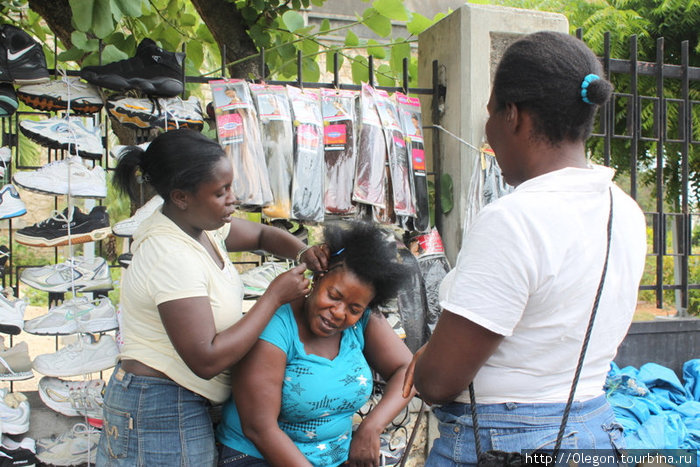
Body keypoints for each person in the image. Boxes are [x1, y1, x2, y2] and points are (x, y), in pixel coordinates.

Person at [402, 31, 647, 465]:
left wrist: (424, 363)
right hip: (593, 432)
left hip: (505, 443)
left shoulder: (514, 219)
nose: (489, 128)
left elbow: (439, 381)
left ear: (513, 116)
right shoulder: (624, 211)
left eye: (491, 112)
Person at [96, 129, 328, 467]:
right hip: (160, 409)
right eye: (221, 192)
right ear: (181, 197)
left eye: (230, 186)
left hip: (179, 403)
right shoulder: (170, 253)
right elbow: (205, 359)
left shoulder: (200, 226)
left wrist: (304, 252)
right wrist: (273, 297)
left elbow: (263, 234)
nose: (233, 198)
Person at [216, 221, 415, 467]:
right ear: (318, 278)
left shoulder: (362, 320)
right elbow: (259, 428)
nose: (339, 313)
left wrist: (372, 427)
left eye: (354, 308)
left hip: (332, 459)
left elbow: (407, 370)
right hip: (257, 457)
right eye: (333, 296)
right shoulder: (277, 324)